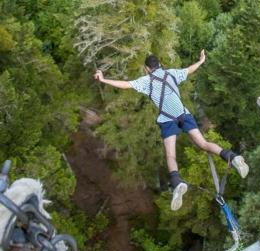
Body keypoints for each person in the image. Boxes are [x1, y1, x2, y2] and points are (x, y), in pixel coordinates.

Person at [94, 50, 249, 211]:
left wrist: (104, 79)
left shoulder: (146, 81)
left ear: (147, 69)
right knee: (203, 143)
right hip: (183, 113)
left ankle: (178, 183)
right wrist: (201, 61)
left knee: (171, 155)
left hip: (167, 119)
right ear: (160, 65)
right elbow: (189, 70)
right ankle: (233, 157)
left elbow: (126, 85)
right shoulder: (172, 73)